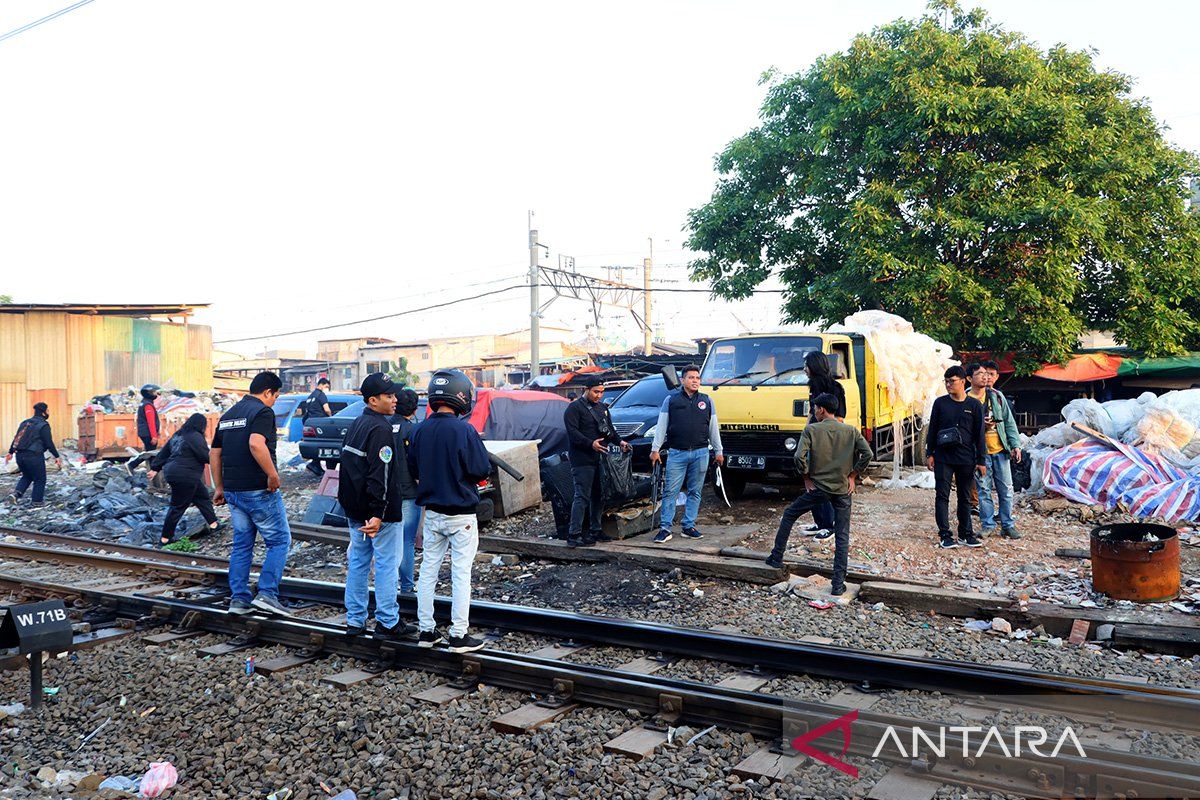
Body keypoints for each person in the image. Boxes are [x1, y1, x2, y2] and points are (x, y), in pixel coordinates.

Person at [408, 369, 491, 653]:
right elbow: (481, 469)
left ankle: (426, 630)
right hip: (461, 516)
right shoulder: (464, 430)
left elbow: (413, 469)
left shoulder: (419, 429)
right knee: (460, 572)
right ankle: (458, 634)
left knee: (428, 570)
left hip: (431, 514)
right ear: (462, 395)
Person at [337, 373, 418, 640]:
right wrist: (378, 513)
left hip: (355, 509)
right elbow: (380, 474)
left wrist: (355, 508)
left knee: (358, 562)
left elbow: (348, 469)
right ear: (373, 400)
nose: (395, 400)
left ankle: (355, 620)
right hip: (377, 514)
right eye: (389, 396)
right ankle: (387, 621)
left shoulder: (357, 424)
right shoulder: (381, 429)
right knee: (386, 564)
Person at [765, 393, 871, 595]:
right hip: (842, 490)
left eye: (814, 408)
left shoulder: (811, 430)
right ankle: (838, 585)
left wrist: (806, 477)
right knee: (842, 535)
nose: (813, 411)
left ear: (822, 409)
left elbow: (798, 457)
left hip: (818, 489)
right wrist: (853, 475)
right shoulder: (850, 431)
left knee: (789, 515)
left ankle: (776, 557)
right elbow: (867, 454)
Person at [211, 371, 293, 616]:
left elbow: (214, 453)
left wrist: (219, 486)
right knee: (279, 541)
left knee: (242, 545)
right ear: (268, 392)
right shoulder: (262, 412)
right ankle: (267, 594)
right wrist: (272, 474)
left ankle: (239, 599)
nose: (274, 402)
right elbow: (256, 443)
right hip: (258, 489)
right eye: (275, 397)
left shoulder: (228, 415)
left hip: (234, 490)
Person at [650, 365, 724, 543]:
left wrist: (718, 450)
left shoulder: (707, 401)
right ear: (682, 380)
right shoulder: (671, 401)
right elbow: (661, 426)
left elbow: (713, 427)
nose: (695, 381)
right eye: (691, 378)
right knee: (670, 492)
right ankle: (665, 528)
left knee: (695, 491)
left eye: (697, 378)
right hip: (677, 453)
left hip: (701, 453)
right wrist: (655, 449)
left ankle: (688, 526)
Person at [563, 376, 630, 547]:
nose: (599, 395)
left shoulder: (602, 408)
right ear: (586, 389)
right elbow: (572, 433)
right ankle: (574, 534)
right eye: (596, 392)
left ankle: (596, 530)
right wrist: (590, 444)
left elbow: (610, 431)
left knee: (599, 496)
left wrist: (620, 442)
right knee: (582, 496)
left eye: (601, 392)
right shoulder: (574, 408)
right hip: (582, 459)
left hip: (601, 459)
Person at [927, 365, 986, 549]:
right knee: (942, 496)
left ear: (963, 381)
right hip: (944, 457)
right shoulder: (940, 403)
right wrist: (930, 453)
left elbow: (979, 434)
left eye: (952, 381)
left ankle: (965, 533)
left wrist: (981, 460)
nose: (948, 385)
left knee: (965, 497)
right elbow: (932, 429)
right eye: (946, 381)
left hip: (966, 458)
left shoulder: (974, 405)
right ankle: (945, 534)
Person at [147, 412, 221, 546]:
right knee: (178, 506)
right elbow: (204, 456)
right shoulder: (196, 437)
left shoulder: (178, 435)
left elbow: (164, 452)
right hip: (186, 474)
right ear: (201, 425)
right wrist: (219, 460)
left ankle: (214, 524)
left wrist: (155, 468)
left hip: (173, 472)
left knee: (202, 496)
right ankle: (165, 538)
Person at [968, 361, 1023, 539]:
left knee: (1006, 489)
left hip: (1000, 450)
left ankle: (1007, 524)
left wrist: (1015, 445)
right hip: (979, 454)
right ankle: (988, 525)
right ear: (969, 378)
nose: (986, 377)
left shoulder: (997, 397)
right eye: (982, 374)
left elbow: (1009, 423)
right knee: (984, 490)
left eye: (988, 374)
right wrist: (979, 425)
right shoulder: (966, 399)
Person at [803, 350, 847, 537]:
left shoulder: (836, 388)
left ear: (814, 366)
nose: (804, 369)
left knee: (824, 483)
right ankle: (820, 522)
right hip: (813, 440)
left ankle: (829, 525)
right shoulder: (813, 388)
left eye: (807, 365)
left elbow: (840, 418)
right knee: (812, 481)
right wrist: (804, 436)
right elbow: (811, 416)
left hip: (828, 443)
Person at [391, 388, 422, 593]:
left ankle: (390, 585)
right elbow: (417, 463)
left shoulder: (383, 425)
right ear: (412, 409)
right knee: (406, 541)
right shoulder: (412, 430)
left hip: (387, 493)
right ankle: (407, 586)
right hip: (409, 492)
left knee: (389, 542)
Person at [5, 403, 61, 506]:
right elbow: (49, 443)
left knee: (27, 476)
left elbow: (17, 438)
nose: (48, 413)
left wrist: (10, 452)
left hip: (20, 456)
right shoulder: (43, 425)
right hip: (33, 456)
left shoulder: (25, 423)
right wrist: (56, 456)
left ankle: (16, 494)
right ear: (43, 413)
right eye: (47, 411)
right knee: (40, 479)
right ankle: (37, 502)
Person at [303, 377, 334, 477]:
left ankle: (315, 465)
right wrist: (331, 418)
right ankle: (317, 465)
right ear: (322, 384)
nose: (326, 389)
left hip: (311, 423)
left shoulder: (310, 396)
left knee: (317, 444)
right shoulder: (321, 395)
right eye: (326, 386)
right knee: (326, 444)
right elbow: (327, 409)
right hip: (321, 423)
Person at [136, 384, 161, 452]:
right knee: (151, 454)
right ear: (149, 393)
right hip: (148, 434)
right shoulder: (148, 405)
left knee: (148, 452)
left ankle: (148, 462)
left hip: (144, 433)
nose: (156, 394)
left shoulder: (143, 403)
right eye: (154, 392)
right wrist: (154, 436)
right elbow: (151, 422)